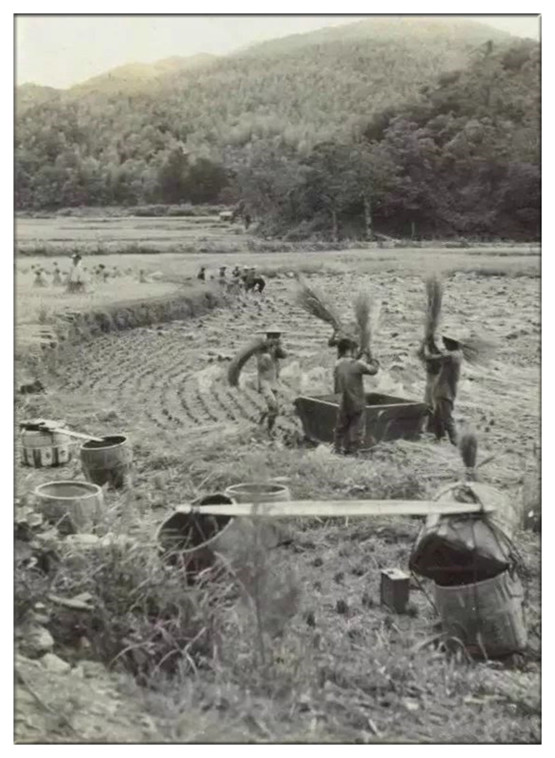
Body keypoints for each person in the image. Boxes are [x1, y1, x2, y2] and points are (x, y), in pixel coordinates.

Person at [333, 337, 379, 455]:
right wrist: (372, 358)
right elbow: (373, 370)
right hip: (357, 402)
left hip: (343, 401)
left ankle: (338, 450)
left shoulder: (337, 364)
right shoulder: (357, 364)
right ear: (350, 350)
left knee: (340, 429)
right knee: (357, 431)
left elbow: (348, 368)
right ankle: (352, 452)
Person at [422, 335, 463, 446]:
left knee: (446, 418)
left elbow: (431, 358)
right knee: (437, 416)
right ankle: (440, 439)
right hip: (444, 390)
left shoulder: (452, 355)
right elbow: (439, 354)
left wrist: (425, 347)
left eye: (445, 342)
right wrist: (431, 344)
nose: (444, 345)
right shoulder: (456, 354)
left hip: (445, 392)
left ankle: (456, 442)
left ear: (451, 343)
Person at [256, 326, 287, 436]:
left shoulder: (275, 348)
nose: (278, 338)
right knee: (274, 408)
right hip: (265, 382)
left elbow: (285, 355)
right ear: (270, 336)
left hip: (274, 381)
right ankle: (268, 431)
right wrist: (270, 346)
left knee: (272, 408)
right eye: (276, 336)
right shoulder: (261, 348)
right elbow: (263, 361)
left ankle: (261, 422)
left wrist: (278, 347)